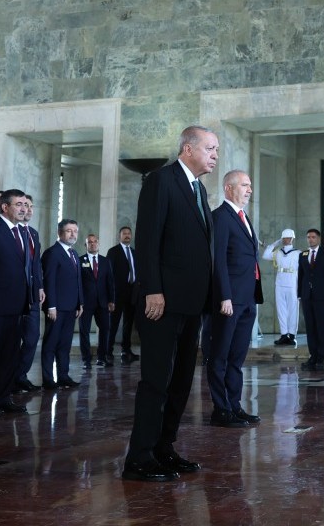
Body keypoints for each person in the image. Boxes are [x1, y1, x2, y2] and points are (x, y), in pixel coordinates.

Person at [124, 125, 219, 482]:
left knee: (180, 382)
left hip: (191, 303)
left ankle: (164, 448)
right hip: (162, 302)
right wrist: (152, 290)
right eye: (210, 148)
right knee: (156, 381)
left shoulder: (198, 188)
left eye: (217, 150)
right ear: (187, 148)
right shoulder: (161, 181)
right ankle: (139, 457)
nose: (215, 155)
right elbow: (148, 240)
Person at [0, 189, 41, 416]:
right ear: (5, 207)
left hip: (18, 305)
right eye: (19, 204)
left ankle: (3, 397)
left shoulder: (24, 233)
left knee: (9, 356)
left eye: (25, 205)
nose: (24, 209)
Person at [207, 169, 262, 428]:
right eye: (244, 185)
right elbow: (218, 261)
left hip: (247, 299)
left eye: (250, 185)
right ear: (229, 188)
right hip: (228, 301)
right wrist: (224, 297)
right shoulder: (221, 217)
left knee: (237, 358)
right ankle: (221, 409)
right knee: (219, 355)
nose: (249, 189)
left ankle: (235, 406)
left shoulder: (242, 216)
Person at [40, 219, 84, 389]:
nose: (73, 234)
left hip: (71, 307)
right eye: (68, 231)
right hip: (56, 308)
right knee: (51, 343)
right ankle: (48, 379)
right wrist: (51, 306)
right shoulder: (52, 253)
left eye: (75, 231)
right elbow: (49, 281)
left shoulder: (74, 254)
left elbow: (78, 281)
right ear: (59, 233)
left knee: (65, 344)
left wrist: (80, 303)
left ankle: (64, 376)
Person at [12, 194, 44, 393]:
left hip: (32, 296)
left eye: (31, 207)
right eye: (24, 206)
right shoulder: (10, 232)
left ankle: (20, 375)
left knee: (32, 338)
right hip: (14, 295)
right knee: (12, 340)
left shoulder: (33, 233)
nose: (28, 210)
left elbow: (36, 264)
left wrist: (40, 286)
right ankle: (9, 377)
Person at [297, 228, 324, 371]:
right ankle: (312, 356)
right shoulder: (303, 254)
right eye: (308, 237)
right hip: (307, 296)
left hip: (321, 296)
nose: (310, 239)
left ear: (318, 239)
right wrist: (299, 294)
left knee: (321, 326)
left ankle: (321, 356)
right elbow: (301, 276)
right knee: (310, 327)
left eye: (313, 237)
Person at [79, 233, 116, 368]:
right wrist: (79, 302)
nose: (93, 244)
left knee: (105, 329)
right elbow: (78, 283)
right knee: (84, 331)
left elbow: (110, 282)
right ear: (86, 245)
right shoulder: (80, 260)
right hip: (86, 303)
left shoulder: (106, 261)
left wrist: (112, 300)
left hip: (103, 302)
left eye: (95, 242)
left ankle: (102, 358)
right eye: (90, 242)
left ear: (98, 244)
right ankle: (86, 360)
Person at [106, 225, 139, 364]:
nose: (127, 235)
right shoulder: (113, 252)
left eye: (129, 233)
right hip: (117, 293)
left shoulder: (134, 252)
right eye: (124, 233)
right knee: (113, 323)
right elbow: (108, 275)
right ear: (119, 236)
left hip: (132, 293)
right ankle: (108, 351)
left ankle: (126, 350)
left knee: (128, 323)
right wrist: (110, 296)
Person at [263, 229, 300, 346]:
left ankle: (292, 335)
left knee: (293, 310)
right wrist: (275, 243)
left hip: (293, 283)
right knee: (281, 310)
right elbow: (265, 255)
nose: (286, 240)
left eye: (288, 238)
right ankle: (284, 335)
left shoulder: (298, 253)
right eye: (284, 238)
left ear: (292, 239)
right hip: (280, 284)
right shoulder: (278, 252)